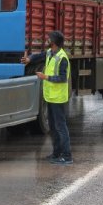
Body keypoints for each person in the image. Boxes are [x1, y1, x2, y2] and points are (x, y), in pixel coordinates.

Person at [21, 30, 73, 165]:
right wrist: (29, 59)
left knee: (61, 127)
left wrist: (45, 77)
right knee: (53, 127)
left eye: (50, 39)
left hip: (58, 98)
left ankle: (67, 156)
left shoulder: (62, 58)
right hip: (50, 97)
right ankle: (56, 154)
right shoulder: (51, 53)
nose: (47, 41)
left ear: (54, 42)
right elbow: (39, 56)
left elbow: (62, 78)